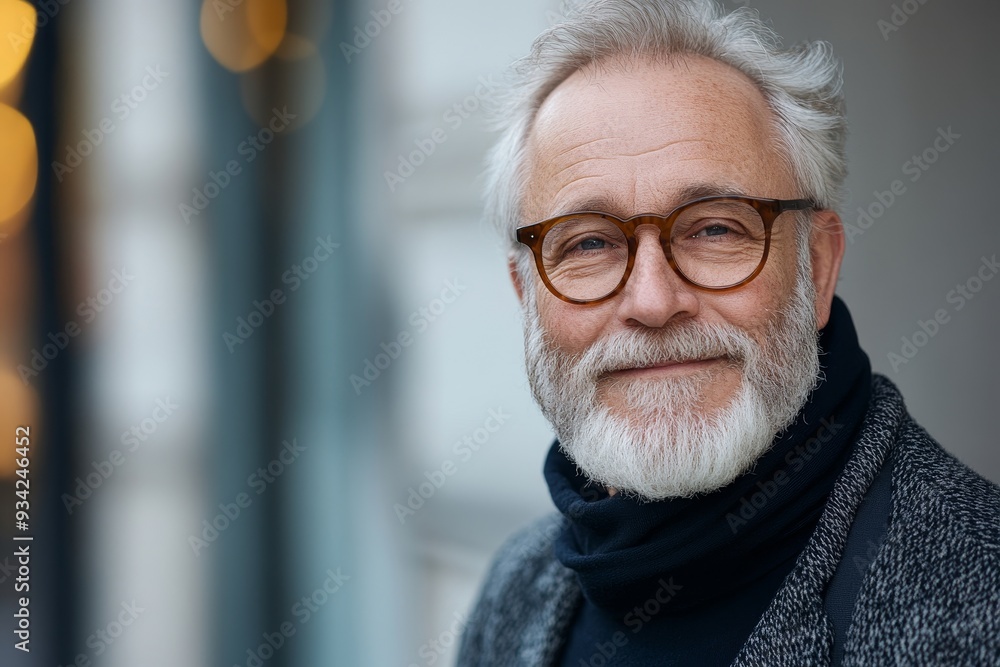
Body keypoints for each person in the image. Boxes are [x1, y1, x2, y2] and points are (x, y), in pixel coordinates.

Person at [456, 1, 1000, 665]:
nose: (654, 302)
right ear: (527, 297)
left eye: (715, 228)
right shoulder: (512, 592)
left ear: (818, 266)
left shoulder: (978, 603)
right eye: (590, 242)